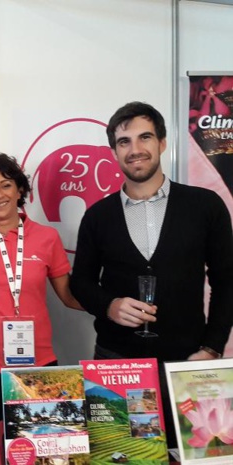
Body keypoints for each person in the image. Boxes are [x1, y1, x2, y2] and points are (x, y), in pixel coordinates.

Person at [70, 101, 233, 445]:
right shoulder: (98, 216)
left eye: (144, 137)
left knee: (194, 450)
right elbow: (81, 283)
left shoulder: (205, 206)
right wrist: (109, 305)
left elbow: (227, 282)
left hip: (189, 360)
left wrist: (213, 348)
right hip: (116, 360)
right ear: (114, 151)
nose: (135, 149)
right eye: (124, 141)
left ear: (162, 142)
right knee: (122, 453)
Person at [0, 153, 83, 465]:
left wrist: (111, 304)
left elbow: (68, 296)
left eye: (5, 185)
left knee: (43, 455)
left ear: (20, 190)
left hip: (38, 365)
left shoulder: (47, 238)